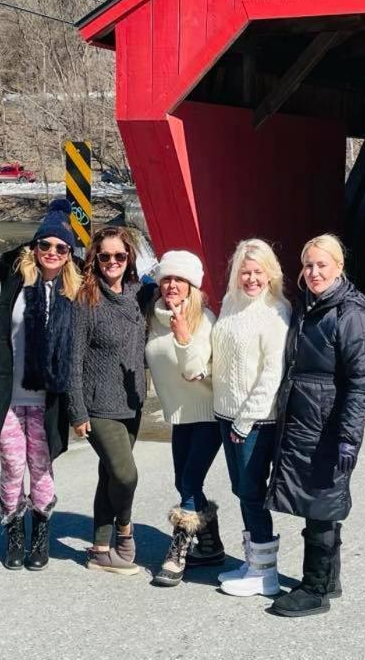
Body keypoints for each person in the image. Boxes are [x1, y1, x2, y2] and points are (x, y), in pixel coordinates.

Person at [267, 234, 365, 617]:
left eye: (321, 265)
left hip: (328, 425)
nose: (313, 272)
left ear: (339, 268)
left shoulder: (350, 315)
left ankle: (314, 588)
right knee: (319, 501)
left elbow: (361, 384)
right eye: (308, 265)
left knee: (322, 501)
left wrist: (349, 438)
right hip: (305, 421)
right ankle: (329, 578)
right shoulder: (308, 307)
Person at [0, 199, 81, 572]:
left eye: (61, 247)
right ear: (34, 247)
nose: (52, 252)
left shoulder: (75, 290)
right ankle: (12, 531)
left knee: (40, 467)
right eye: (45, 245)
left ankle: (40, 536)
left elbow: (124, 279)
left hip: (48, 398)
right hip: (10, 395)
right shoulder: (11, 278)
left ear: (70, 254)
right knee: (12, 463)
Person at [210, 238, 291, 598]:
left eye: (258, 272)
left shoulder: (276, 310)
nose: (252, 279)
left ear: (270, 273)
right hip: (226, 414)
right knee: (241, 491)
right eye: (245, 272)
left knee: (252, 492)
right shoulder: (230, 303)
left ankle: (266, 574)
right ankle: (254, 561)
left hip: (255, 421)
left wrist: (246, 420)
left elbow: (273, 373)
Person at [68, 225, 146, 575]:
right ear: (94, 260)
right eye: (104, 256)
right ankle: (125, 528)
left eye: (119, 255)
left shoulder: (140, 294)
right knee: (126, 475)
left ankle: (100, 549)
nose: (112, 261)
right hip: (98, 407)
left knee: (110, 476)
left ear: (128, 257)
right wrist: (77, 411)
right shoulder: (86, 299)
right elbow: (74, 361)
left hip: (133, 403)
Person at [144, 250, 224, 587]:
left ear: (192, 286)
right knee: (183, 481)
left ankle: (178, 551)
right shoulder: (152, 316)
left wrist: (183, 336)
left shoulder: (205, 320)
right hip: (179, 416)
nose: (172, 285)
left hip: (207, 414)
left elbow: (198, 371)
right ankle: (212, 542)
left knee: (189, 484)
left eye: (180, 280)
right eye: (167, 279)